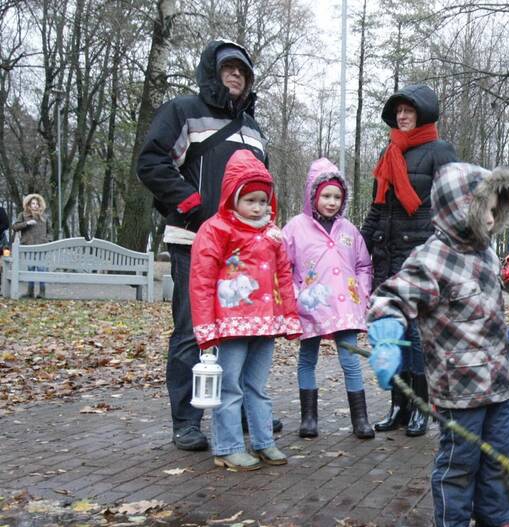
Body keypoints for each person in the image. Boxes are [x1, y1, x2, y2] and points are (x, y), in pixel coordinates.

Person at [366, 162, 509, 527]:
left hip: (498, 383)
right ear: (461, 208)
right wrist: (386, 336)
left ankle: (497, 518)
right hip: (458, 391)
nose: (492, 217)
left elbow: (489, 311)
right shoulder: (431, 258)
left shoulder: (486, 253)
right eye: (485, 208)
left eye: (495, 209)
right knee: (459, 461)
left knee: (500, 456)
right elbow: (391, 296)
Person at [137, 40, 272, 451]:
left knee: (244, 330)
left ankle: (246, 411)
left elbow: (261, 186)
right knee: (192, 331)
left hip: (244, 251)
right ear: (212, 74)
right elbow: (152, 162)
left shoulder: (253, 129)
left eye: (243, 71)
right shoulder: (184, 111)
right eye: (228, 69)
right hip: (194, 240)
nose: (236, 76)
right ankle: (187, 421)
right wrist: (193, 207)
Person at [189, 150, 300, 470]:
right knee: (230, 386)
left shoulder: (272, 234)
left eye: (263, 201)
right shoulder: (216, 230)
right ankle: (227, 446)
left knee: (257, 385)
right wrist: (205, 327)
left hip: (264, 323)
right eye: (250, 200)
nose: (258, 207)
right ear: (233, 197)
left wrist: (288, 316)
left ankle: (264, 441)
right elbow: (202, 280)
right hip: (231, 323)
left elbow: (284, 277)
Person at [361, 84, 458, 437]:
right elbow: (377, 207)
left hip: (420, 258)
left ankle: (421, 407)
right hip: (387, 258)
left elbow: (454, 205)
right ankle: (398, 407)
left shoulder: (440, 151)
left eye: (409, 111)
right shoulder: (390, 153)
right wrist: (357, 243)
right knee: (392, 333)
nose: (402, 116)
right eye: (398, 111)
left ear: (423, 113)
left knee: (417, 336)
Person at [283, 159, 375, 440]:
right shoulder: (296, 228)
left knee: (350, 361)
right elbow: (283, 266)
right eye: (326, 195)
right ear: (313, 195)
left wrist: (360, 291)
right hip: (310, 305)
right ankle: (309, 417)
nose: (332, 202)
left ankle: (360, 418)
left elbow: (363, 265)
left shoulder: (349, 231)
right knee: (307, 359)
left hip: (345, 306)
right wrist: (296, 296)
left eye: (337, 196)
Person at [11, 194, 49, 298]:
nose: (35, 206)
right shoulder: (23, 215)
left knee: (42, 269)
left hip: (42, 247)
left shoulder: (44, 216)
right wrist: (26, 223)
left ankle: (42, 292)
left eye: (37, 203)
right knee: (31, 269)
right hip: (28, 245)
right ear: (28, 204)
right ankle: (30, 291)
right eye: (33, 203)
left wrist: (47, 240)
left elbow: (49, 231)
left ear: (40, 204)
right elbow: (14, 227)